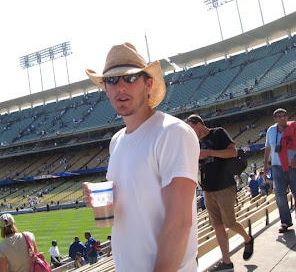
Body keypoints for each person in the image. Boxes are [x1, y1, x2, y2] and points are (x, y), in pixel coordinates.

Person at [83, 42, 200, 271]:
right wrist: (101, 199)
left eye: (130, 78)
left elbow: (179, 223)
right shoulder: (116, 141)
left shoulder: (172, 132)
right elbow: (136, 203)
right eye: (112, 80)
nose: (120, 87)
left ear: (149, 84)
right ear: (106, 89)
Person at [186, 114, 254, 272]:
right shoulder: (195, 142)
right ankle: (226, 261)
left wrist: (208, 153)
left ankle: (247, 238)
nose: (190, 131)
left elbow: (232, 152)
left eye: (191, 127)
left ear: (199, 124)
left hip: (224, 185)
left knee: (230, 223)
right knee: (217, 226)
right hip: (208, 188)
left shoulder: (218, 133)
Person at [264, 108, 296, 233]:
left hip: (292, 166)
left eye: (284, 115)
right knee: (280, 195)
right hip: (277, 167)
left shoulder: (293, 128)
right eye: (279, 116)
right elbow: (268, 147)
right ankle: (285, 221)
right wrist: (266, 163)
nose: (283, 118)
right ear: (275, 119)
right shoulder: (271, 130)